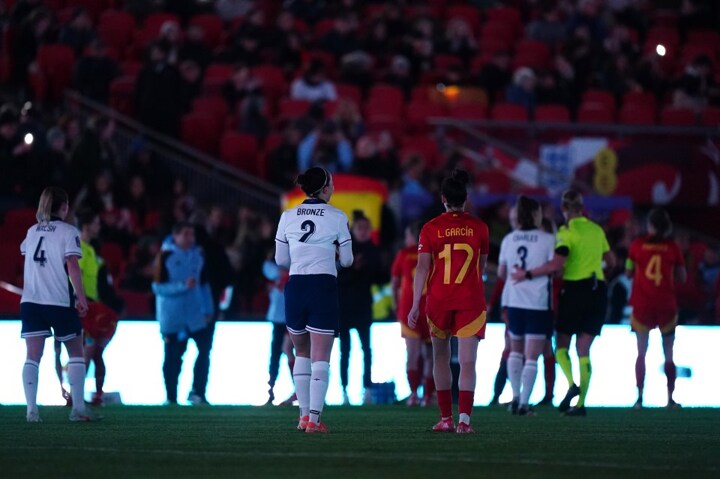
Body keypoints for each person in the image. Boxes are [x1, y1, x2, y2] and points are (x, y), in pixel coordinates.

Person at [512, 190, 615, 416]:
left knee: (561, 346)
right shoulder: (597, 230)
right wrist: (594, 268)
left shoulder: (565, 232)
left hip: (574, 290)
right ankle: (581, 405)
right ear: (582, 206)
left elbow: (557, 264)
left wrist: (528, 274)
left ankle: (571, 384)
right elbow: (611, 261)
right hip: (598, 289)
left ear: (563, 209)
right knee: (584, 350)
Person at [408, 169, 490, 434]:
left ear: (443, 198)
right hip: (470, 300)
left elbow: (421, 268)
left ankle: (445, 419)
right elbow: (482, 265)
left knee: (440, 358)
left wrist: (414, 304)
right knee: (467, 362)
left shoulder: (430, 228)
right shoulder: (480, 227)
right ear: (465, 199)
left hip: (439, 300)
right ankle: (464, 421)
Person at [274, 166, 353, 433]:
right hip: (323, 285)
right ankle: (315, 421)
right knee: (321, 356)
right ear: (326, 188)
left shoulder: (287, 216)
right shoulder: (338, 216)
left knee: (301, 353)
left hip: (295, 285)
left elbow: (281, 260)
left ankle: (303, 417)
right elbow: (348, 260)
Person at [20, 186, 99, 422]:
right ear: (65, 207)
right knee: (75, 352)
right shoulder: (68, 231)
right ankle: (78, 409)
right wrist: (81, 297)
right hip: (58, 300)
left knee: (32, 356)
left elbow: (25, 251)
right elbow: (72, 266)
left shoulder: (32, 231)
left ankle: (31, 411)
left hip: (32, 301)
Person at [497, 196, 556, 416]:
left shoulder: (509, 240)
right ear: (535, 214)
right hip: (538, 302)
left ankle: (514, 397)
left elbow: (502, 273)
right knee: (532, 356)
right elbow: (555, 269)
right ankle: (523, 403)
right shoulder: (548, 239)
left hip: (513, 300)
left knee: (515, 351)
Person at [626, 209, 687, 409]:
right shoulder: (673, 247)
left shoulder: (636, 245)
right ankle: (670, 399)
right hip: (666, 304)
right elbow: (682, 276)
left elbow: (628, 272)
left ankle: (639, 398)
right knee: (669, 353)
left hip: (643, 303)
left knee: (641, 352)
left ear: (649, 225)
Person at [153, 221, 215, 405]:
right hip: (172, 317)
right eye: (186, 234)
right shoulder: (165, 256)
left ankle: (198, 392)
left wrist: (209, 309)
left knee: (204, 351)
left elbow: (204, 284)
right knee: (173, 357)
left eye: (192, 235)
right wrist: (181, 287)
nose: (190, 239)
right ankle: (171, 396)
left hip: (196, 315)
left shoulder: (198, 255)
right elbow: (157, 287)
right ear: (176, 235)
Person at [337, 210, 381, 405]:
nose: (363, 232)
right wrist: (353, 270)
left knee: (366, 350)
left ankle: (367, 390)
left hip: (363, 307)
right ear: (353, 230)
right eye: (360, 228)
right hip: (345, 306)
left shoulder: (374, 250)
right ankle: (344, 391)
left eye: (366, 228)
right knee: (345, 350)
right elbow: (338, 276)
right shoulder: (345, 249)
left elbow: (382, 277)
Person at [391, 221, 434, 407]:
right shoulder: (433, 253)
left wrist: (396, 305)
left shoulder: (403, 254)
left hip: (409, 308)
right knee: (431, 355)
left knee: (413, 353)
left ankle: (414, 394)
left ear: (411, 236)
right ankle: (428, 396)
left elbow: (394, 282)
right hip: (431, 308)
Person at [262, 251, 296, 406]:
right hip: (280, 316)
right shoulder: (273, 264)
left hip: (294, 315)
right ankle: (271, 391)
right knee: (279, 353)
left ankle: (300, 391)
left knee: (291, 351)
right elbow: (267, 268)